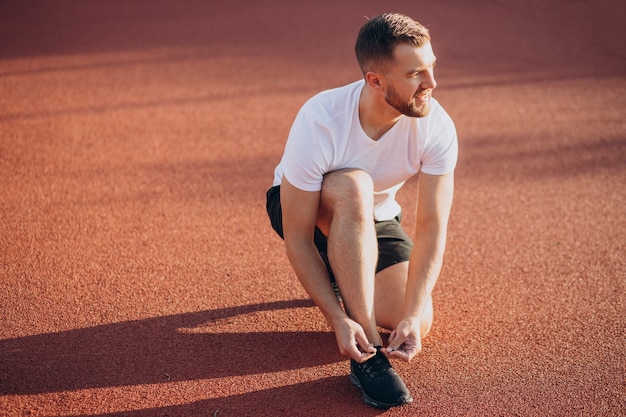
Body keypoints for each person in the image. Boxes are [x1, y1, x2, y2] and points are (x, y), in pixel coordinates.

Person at [266, 12, 457, 409]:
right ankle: (367, 357)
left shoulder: (436, 126)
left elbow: (433, 225)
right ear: (375, 80)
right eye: (415, 74)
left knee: (417, 320)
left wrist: (411, 312)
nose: (432, 84)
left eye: (432, 67)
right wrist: (339, 319)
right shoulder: (321, 120)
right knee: (355, 184)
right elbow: (298, 237)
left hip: (377, 216)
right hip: (307, 208)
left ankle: (344, 273)